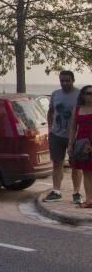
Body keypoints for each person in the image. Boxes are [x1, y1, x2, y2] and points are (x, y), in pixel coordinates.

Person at [45, 70, 82, 203]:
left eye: (67, 80)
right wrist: (50, 129)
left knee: (76, 165)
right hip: (57, 135)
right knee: (57, 163)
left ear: (73, 80)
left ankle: (76, 193)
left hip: (76, 136)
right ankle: (56, 191)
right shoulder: (55, 94)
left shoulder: (79, 95)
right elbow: (50, 112)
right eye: (62, 81)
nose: (64, 83)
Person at [68, 84, 92, 207]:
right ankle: (89, 200)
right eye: (88, 93)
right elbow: (73, 128)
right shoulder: (77, 109)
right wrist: (71, 144)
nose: (91, 96)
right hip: (82, 144)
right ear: (83, 95)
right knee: (86, 172)